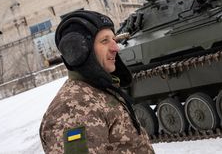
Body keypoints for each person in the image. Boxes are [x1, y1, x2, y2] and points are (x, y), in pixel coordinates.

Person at [39, 10, 154, 154]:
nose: (115, 48)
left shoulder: (99, 90)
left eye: (114, 39)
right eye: (105, 41)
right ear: (79, 51)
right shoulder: (73, 109)